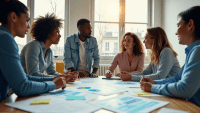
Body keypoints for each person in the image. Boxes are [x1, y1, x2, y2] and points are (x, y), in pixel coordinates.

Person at [0, 0, 75, 102]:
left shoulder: (4, 37)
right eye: (27, 20)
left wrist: (59, 78)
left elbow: (25, 77)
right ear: (13, 17)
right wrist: (53, 84)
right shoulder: (6, 39)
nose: (28, 26)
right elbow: (23, 85)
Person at [140, 6, 200, 107]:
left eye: (178, 26)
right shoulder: (193, 51)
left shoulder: (198, 50)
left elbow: (184, 88)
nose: (176, 32)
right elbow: (177, 78)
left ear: (190, 25)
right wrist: (154, 82)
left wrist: (152, 87)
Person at [20, 13, 77, 79]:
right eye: (57, 31)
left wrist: (65, 76)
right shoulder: (34, 46)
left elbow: (52, 72)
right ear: (48, 33)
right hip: (21, 86)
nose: (60, 35)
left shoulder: (49, 51)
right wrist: (61, 77)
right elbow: (33, 74)